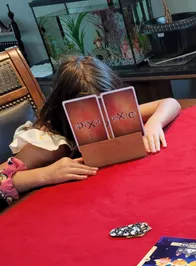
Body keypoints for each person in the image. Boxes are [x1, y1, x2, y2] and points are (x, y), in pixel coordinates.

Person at [0, 56, 180, 210]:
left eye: (107, 107)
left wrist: (154, 123)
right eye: (90, 114)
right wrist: (47, 174)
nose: (102, 119)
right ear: (66, 111)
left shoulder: (110, 114)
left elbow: (169, 103)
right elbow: (2, 179)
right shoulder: (50, 144)